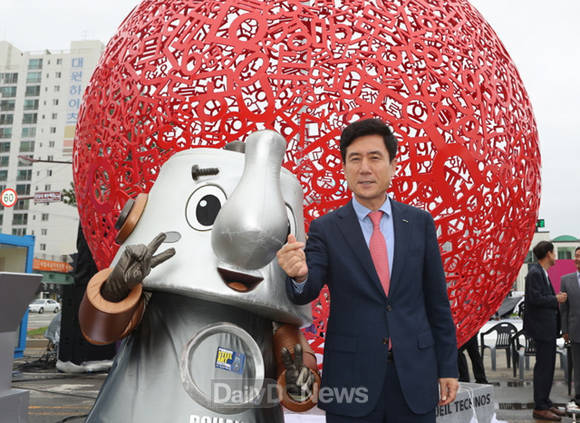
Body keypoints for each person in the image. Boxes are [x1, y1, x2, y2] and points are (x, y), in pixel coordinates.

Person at [277, 118, 458, 422]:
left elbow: (437, 303)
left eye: (375, 158)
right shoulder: (326, 228)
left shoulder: (419, 223)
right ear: (344, 167)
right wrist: (298, 274)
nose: (364, 168)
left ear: (393, 165)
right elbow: (307, 290)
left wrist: (447, 368)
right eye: (355, 159)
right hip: (351, 380)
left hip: (415, 377)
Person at [523, 241, 567, 421]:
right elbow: (535, 299)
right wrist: (555, 298)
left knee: (547, 367)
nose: (555, 257)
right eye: (554, 253)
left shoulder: (541, 272)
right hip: (542, 329)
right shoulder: (535, 273)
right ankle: (540, 406)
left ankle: (546, 402)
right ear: (548, 253)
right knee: (543, 368)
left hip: (546, 328)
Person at [560, 246, 580, 409]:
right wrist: (564, 329)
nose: (578, 259)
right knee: (578, 366)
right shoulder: (566, 280)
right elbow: (564, 309)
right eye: (576, 256)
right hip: (575, 330)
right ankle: (578, 396)